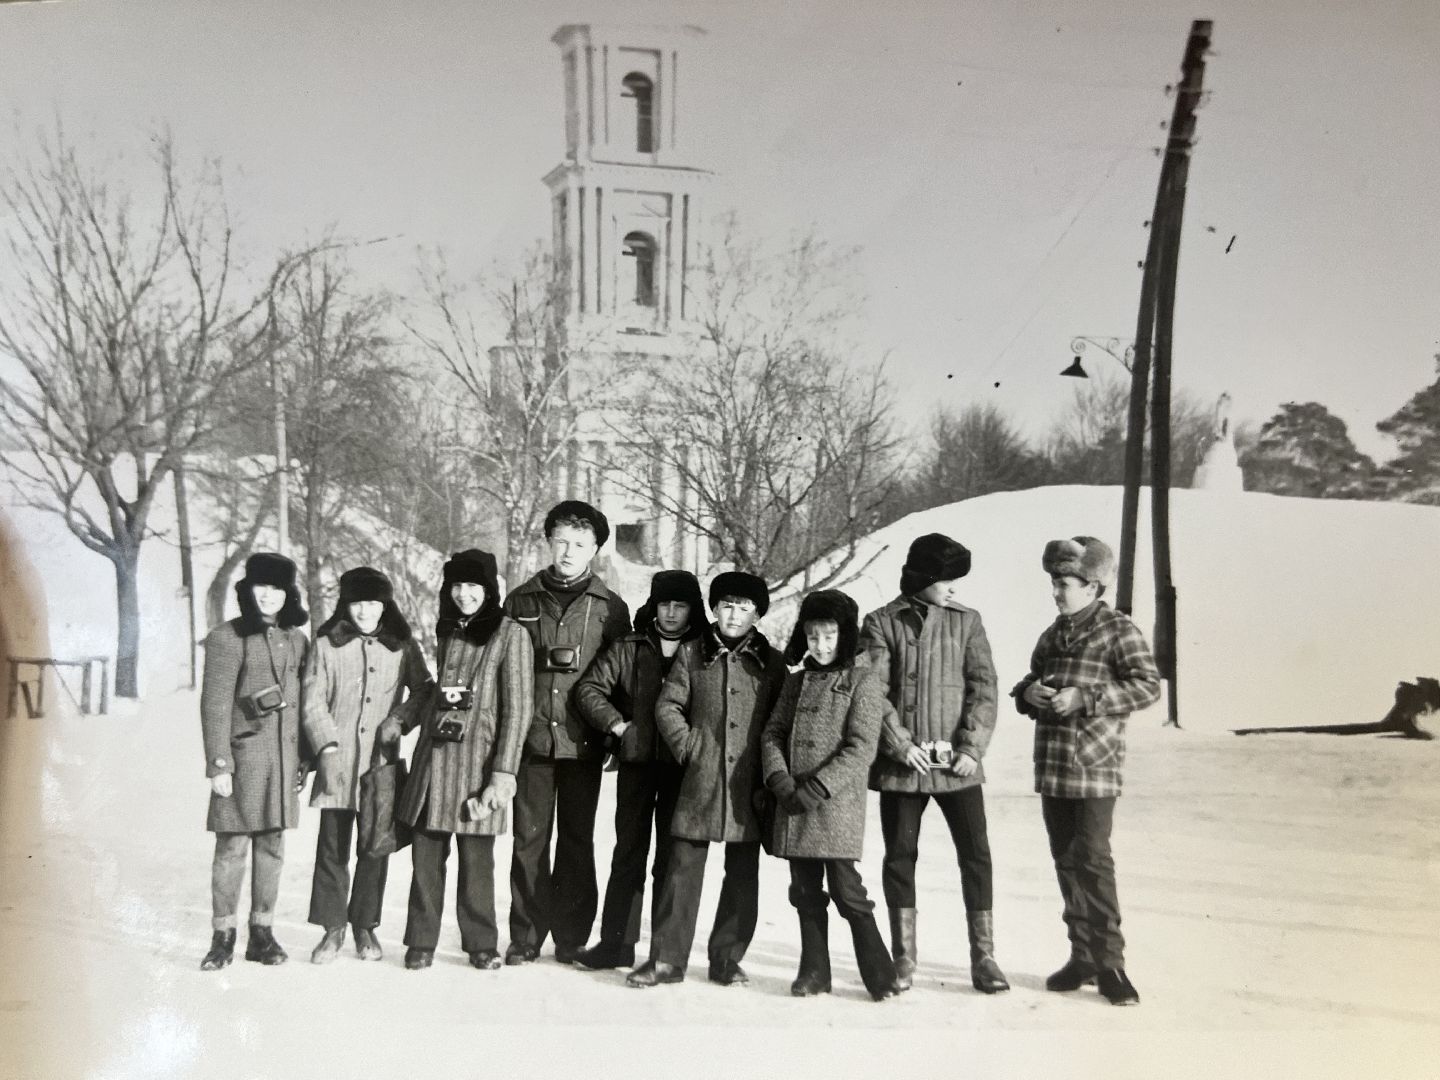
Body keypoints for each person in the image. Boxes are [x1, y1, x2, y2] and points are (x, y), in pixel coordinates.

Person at [1011, 536, 1161, 1007]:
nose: (1056, 591)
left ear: (1093, 585)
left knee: (1093, 860)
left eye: (1065, 583)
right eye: (1054, 582)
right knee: (1066, 860)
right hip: (1054, 766)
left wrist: (1087, 698)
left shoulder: (1119, 629)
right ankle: (1083, 957)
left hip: (1095, 767)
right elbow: (1028, 681)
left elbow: (1148, 687)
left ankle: (1112, 964)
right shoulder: (1052, 634)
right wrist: (1028, 694)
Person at [861, 532, 1010, 994]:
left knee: (977, 856)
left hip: (957, 769)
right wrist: (899, 744)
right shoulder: (881, 622)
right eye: (945, 579)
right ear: (923, 577)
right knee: (900, 859)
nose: (952, 588)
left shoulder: (968, 622)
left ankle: (984, 958)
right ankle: (903, 960)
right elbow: (872, 691)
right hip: (902, 768)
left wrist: (970, 748)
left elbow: (984, 688)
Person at [627, 571, 787, 989]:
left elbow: (781, 721)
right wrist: (690, 747)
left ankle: (726, 960)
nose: (734, 615)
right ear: (714, 609)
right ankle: (666, 960)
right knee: (682, 869)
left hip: (748, 785)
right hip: (699, 781)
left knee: (742, 876)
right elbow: (668, 706)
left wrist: (770, 770)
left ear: (758, 613)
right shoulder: (692, 652)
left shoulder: (772, 662)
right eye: (727, 605)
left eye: (745, 607)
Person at [383, 549, 534, 971]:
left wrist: (503, 772)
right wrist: (404, 717)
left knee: (476, 862)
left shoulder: (510, 635)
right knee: (426, 860)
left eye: (474, 586)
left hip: (478, 766)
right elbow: (436, 692)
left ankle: (481, 943)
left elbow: (518, 710)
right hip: (434, 763)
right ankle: (421, 941)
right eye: (458, 586)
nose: (465, 595)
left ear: (490, 589)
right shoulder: (447, 630)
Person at [503, 501, 631, 965]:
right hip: (531, 741)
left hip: (583, 744)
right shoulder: (519, 601)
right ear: (548, 542)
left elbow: (622, 678)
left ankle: (572, 935)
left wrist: (616, 735)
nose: (569, 551)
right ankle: (525, 935)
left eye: (580, 544)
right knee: (529, 838)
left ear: (595, 549)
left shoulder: (611, 609)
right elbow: (503, 671)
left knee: (577, 840)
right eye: (561, 541)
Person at [759, 590, 902, 1002]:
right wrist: (779, 778)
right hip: (792, 804)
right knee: (804, 892)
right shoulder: (797, 680)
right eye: (812, 636)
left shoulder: (861, 680)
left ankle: (881, 975)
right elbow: (773, 732)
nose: (820, 646)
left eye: (829, 636)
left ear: (846, 635)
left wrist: (818, 788)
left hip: (834, 806)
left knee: (846, 890)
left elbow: (861, 747)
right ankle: (814, 972)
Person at [199, 552, 333, 970]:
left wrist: (305, 760)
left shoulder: (297, 638)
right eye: (262, 587)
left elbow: (305, 702)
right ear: (248, 590)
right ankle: (223, 937)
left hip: (282, 762)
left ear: (287, 593)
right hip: (242, 761)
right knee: (232, 847)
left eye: (278, 589)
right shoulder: (227, 637)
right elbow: (215, 705)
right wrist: (219, 764)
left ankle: (262, 934)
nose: (270, 596)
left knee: (272, 846)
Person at [572, 570, 707, 970]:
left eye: (679, 605)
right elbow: (589, 689)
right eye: (664, 604)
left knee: (671, 860)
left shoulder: (702, 650)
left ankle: (661, 952)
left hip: (683, 770)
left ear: (692, 609)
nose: (670, 613)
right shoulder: (630, 646)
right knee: (628, 853)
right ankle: (616, 943)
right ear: (653, 605)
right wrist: (618, 725)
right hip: (637, 766)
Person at [301, 565, 430, 964]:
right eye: (357, 603)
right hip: (336, 764)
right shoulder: (326, 644)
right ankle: (332, 928)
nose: (365, 612)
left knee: (375, 848)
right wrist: (326, 746)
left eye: (373, 604)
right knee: (332, 848)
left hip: (379, 765)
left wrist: (400, 719)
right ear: (346, 604)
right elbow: (312, 701)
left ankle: (364, 926)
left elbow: (426, 689)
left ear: (385, 605)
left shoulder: (402, 645)